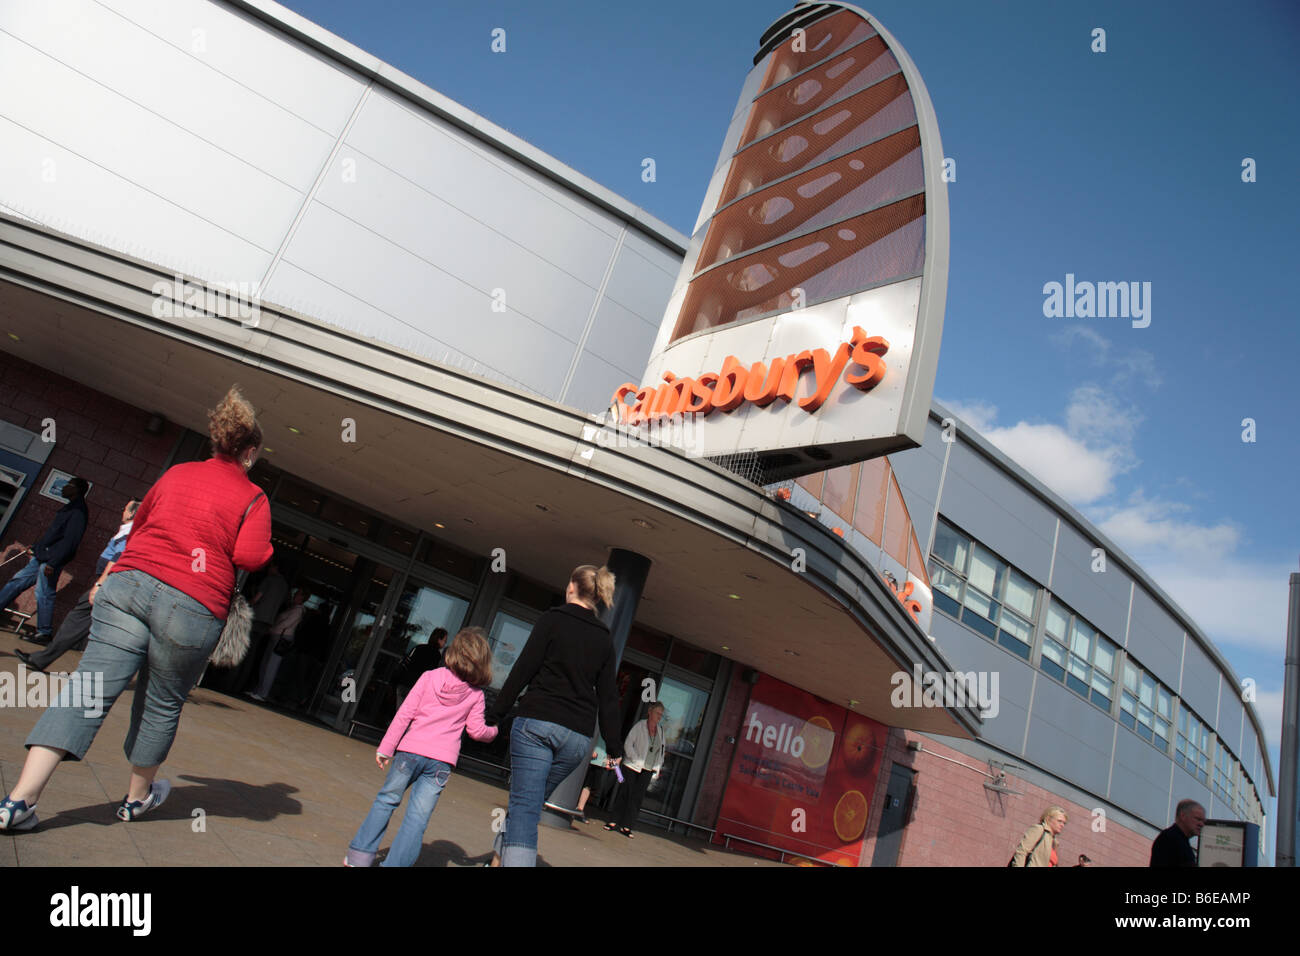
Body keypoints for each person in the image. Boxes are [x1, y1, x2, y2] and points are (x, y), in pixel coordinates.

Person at [0, 387, 273, 832]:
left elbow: (138, 527)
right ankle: (135, 799)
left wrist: (107, 578)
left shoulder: (177, 475)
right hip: (193, 605)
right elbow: (250, 555)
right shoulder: (253, 497)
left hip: (129, 587)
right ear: (250, 451)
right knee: (162, 703)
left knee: (85, 690)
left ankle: (19, 801)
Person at [485, 564, 624, 867]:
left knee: (524, 805)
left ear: (572, 587)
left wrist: (495, 714)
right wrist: (614, 748)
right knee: (528, 804)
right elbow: (609, 696)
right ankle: (497, 860)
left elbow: (524, 668)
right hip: (575, 739)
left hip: (537, 723)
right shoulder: (604, 637)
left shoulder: (553, 619)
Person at [345, 627, 497, 867]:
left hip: (409, 752)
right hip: (440, 763)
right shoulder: (475, 694)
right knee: (417, 819)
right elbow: (477, 732)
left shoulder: (430, 677)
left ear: (453, 652)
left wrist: (386, 747)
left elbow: (405, 714)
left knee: (386, 801)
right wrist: (495, 731)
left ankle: (358, 857)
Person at [16, 499, 139, 673]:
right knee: (88, 624)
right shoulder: (127, 531)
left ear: (132, 513)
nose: (123, 511)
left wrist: (99, 584)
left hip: (108, 584)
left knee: (78, 619)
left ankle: (44, 659)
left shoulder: (131, 533)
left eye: (125, 508)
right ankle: (45, 660)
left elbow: (117, 559)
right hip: (109, 584)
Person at [0, 476, 90, 641]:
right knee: (17, 582)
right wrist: (36, 548)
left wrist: (53, 563)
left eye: (68, 485)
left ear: (77, 489)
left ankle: (44, 632)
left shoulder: (78, 511)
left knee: (44, 593)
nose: (63, 488)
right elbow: (54, 535)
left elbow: (70, 540)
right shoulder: (70, 508)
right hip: (42, 556)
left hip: (50, 561)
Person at [605, 701, 667, 838]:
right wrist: (634, 758)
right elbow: (628, 743)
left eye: (661, 715)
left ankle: (627, 826)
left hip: (648, 768)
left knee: (637, 798)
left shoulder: (661, 731)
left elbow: (661, 751)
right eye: (657, 713)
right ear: (650, 712)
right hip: (632, 766)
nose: (659, 717)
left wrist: (657, 767)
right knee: (625, 793)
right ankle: (613, 821)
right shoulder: (640, 725)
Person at [231, 559, 288, 694]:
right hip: (267, 623)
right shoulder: (285, 586)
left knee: (241, 649)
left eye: (270, 566)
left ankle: (231, 682)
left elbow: (257, 599)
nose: (268, 569)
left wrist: (245, 604)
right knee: (253, 653)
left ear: (276, 567)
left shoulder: (269, 580)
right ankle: (240, 685)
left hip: (256, 618)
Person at [248, 587, 309, 702]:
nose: (295, 596)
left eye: (298, 594)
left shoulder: (298, 610)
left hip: (281, 638)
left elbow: (286, 623)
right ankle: (258, 690)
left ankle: (263, 692)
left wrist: (273, 628)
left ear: (303, 598)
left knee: (271, 665)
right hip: (278, 636)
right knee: (266, 663)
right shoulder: (294, 608)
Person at [395, 627, 448, 706]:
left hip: (404, 684)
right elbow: (432, 675)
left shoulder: (418, 647)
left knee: (399, 712)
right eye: (444, 640)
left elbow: (405, 663)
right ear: (439, 640)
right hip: (417, 689)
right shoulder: (437, 656)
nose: (445, 643)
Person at [1150, 799, 1205, 867]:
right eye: (1198, 819)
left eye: (1203, 821)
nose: (1201, 824)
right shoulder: (1169, 838)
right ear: (1183, 816)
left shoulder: (1180, 840)